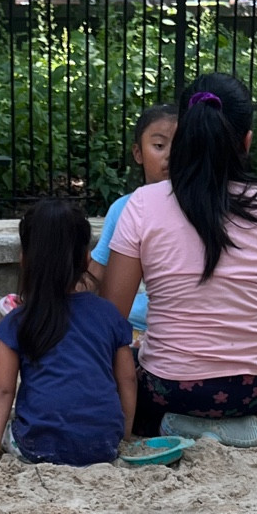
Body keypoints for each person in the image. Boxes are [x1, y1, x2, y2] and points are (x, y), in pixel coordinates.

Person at [102, 72, 257, 448]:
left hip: (174, 388)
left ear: (182, 135)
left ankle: (179, 425)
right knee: (245, 384)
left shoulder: (142, 206)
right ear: (247, 141)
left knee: (134, 372)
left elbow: (110, 316)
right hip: (252, 386)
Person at [0, 198, 137, 467]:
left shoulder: (17, 323)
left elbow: (2, 391)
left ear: (24, 260)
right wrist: (124, 436)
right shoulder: (109, 315)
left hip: (38, 447)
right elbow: (127, 380)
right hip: (102, 446)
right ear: (85, 259)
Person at [87, 102, 178, 340]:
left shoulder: (196, 209)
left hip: (176, 332)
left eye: (181, 146)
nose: (170, 155)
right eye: (159, 145)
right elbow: (97, 271)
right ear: (138, 153)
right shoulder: (124, 208)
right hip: (129, 329)